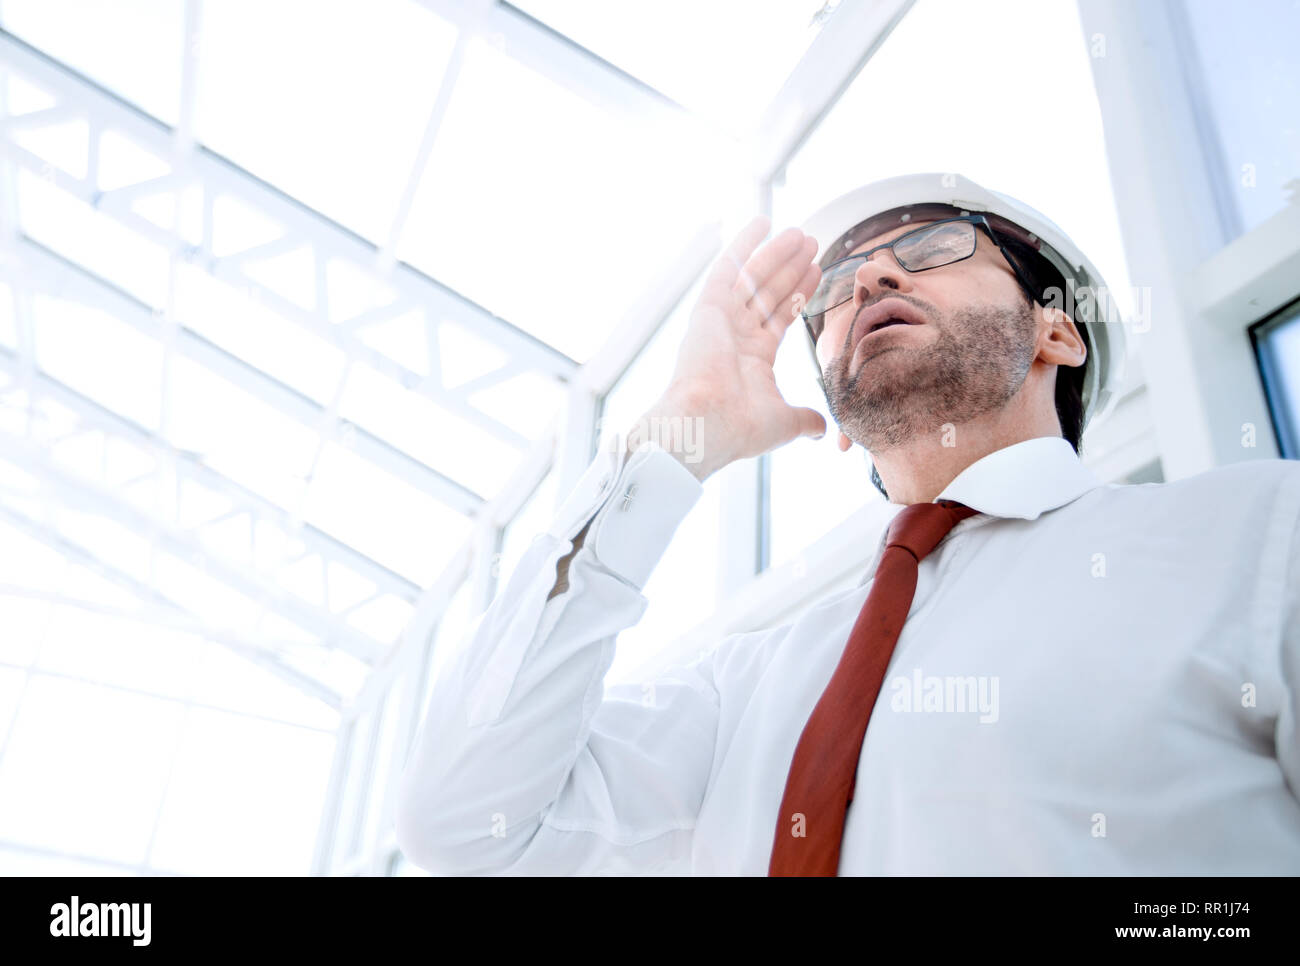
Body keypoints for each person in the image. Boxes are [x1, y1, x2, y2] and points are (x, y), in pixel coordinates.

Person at [395, 173, 1300, 875]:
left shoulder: (1261, 534)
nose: (868, 277)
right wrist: (672, 441)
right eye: (829, 296)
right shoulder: (741, 687)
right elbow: (465, 822)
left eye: (937, 244)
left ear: (1056, 335)